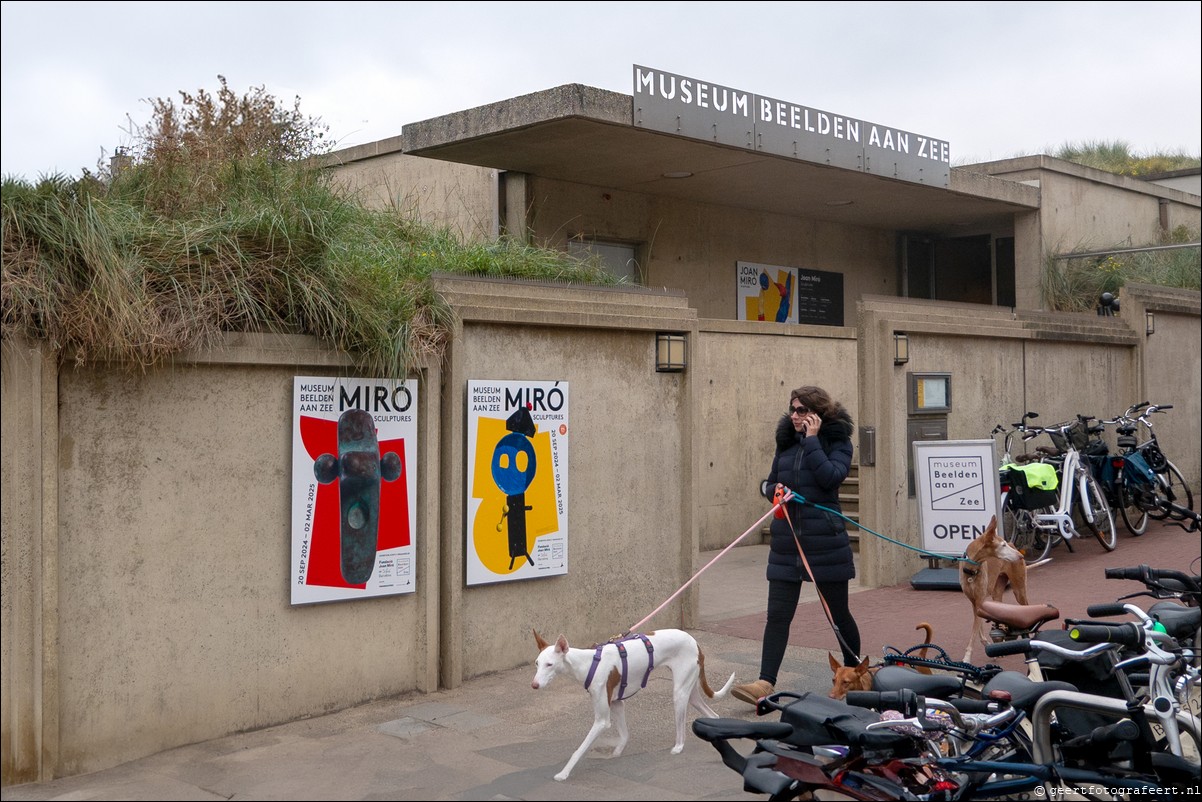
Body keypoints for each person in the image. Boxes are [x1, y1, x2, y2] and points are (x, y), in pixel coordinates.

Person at [732, 385, 860, 705]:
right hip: (786, 542)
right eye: (792, 409)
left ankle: (857, 672)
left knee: (838, 614)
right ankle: (765, 682)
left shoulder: (837, 441)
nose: (795, 415)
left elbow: (832, 477)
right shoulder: (786, 442)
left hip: (825, 542)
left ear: (818, 414)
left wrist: (814, 441)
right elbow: (770, 480)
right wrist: (773, 490)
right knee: (777, 614)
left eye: (802, 410)